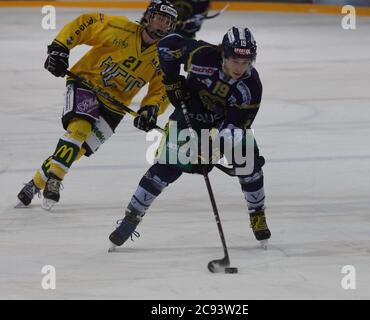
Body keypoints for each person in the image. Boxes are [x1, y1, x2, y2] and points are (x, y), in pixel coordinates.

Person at [108, 26, 271, 249]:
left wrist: (213, 151)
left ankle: (257, 212)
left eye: (245, 62)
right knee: (167, 166)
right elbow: (168, 43)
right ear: (223, 53)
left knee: (247, 160)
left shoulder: (251, 87)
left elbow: (234, 127)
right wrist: (172, 79)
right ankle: (131, 217)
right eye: (235, 61)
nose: (240, 68)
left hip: (223, 123)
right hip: (190, 112)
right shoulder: (201, 55)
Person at [16, 0, 178, 210]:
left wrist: (151, 108)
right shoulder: (120, 28)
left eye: (167, 22)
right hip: (86, 83)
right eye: (158, 18)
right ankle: (55, 179)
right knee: (80, 128)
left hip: (116, 106)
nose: (161, 25)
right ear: (148, 16)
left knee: (78, 150)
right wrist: (60, 47)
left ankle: (35, 183)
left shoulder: (164, 55)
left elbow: (161, 89)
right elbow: (85, 22)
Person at [143, 0, 210, 38]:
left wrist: (183, 25)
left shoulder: (201, 2)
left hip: (184, 36)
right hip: (159, 32)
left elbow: (194, 26)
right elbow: (148, 16)